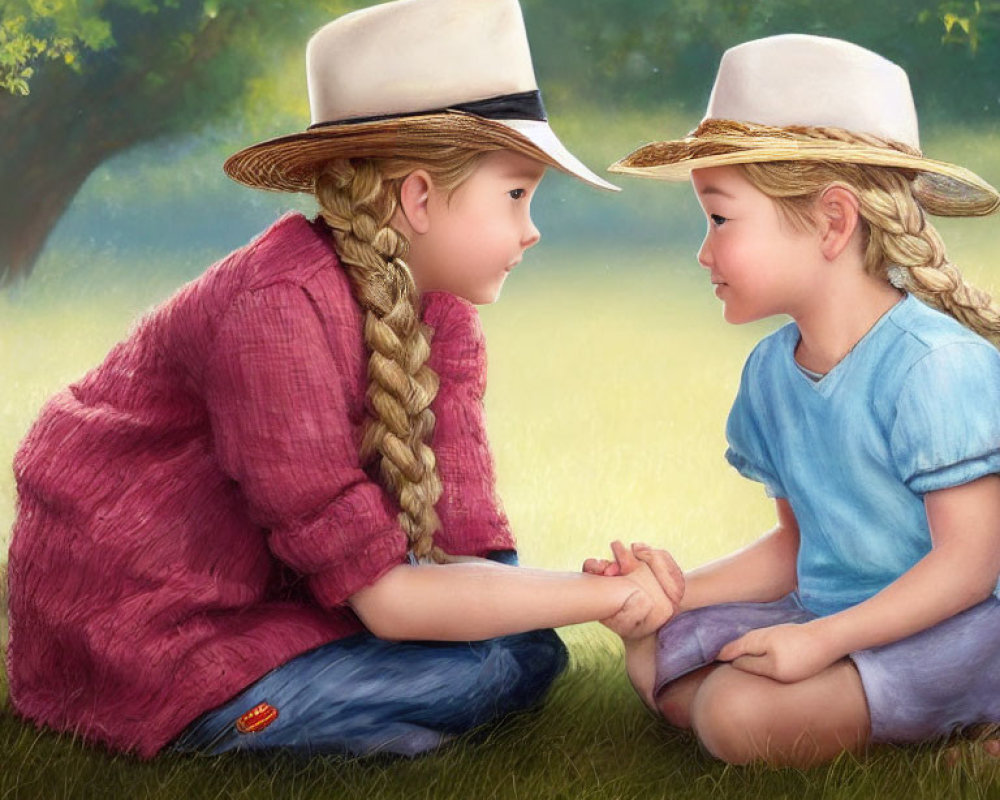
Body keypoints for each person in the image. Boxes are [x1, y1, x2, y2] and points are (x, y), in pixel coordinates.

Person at [5, 0, 683, 760]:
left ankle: (366, 720)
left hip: (303, 606)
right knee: (497, 657)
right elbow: (390, 601)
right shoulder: (274, 309)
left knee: (527, 651)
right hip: (161, 640)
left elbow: (467, 550)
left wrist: (568, 592)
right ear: (419, 197)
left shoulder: (444, 319)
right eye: (516, 195)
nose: (532, 230)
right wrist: (608, 596)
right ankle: (260, 722)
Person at [587, 34, 1000, 767]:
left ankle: (971, 719)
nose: (702, 253)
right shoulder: (770, 373)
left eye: (719, 218)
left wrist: (823, 642)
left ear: (833, 223)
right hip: (832, 612)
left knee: (735, 716)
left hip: (956, 627)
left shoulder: (935, 366)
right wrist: (674, 594)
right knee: (666, 664)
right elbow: (796, 544)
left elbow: (969, 565)